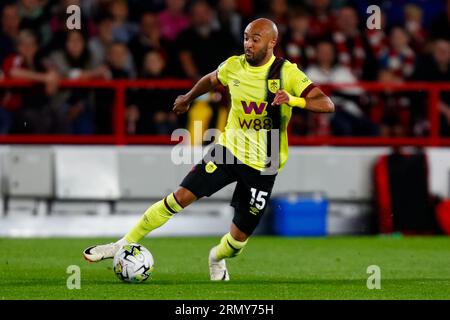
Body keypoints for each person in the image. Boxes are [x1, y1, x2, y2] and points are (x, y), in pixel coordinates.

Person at [83, 18, 334, 281]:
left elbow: (326, 104)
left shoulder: (286, 73)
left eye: (255, 39)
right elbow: (211, 79)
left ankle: (216, 257)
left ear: (272, 42)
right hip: (228, 150)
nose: (248, 44)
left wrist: (293, 100)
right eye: (246, 37)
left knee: (238, 242)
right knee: (179, 196)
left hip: (265, 162)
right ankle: (121, 244)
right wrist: (188, 98)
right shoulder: (234, 65)